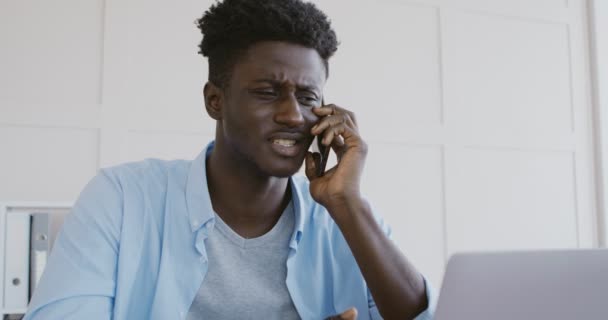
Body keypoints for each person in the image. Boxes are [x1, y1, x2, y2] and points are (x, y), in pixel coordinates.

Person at [24, 0, 436, 319]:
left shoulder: (344, 216)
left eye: (308, 98)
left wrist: (348, 204)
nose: (294, 115)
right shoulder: (121, 200)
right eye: (268, 92)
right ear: (214, 101)